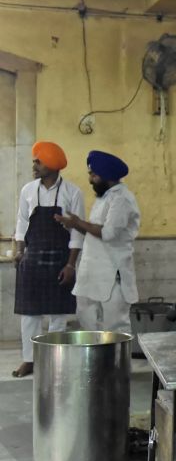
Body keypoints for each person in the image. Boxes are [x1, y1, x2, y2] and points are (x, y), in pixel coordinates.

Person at [11, 142, 85, 377]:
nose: (34, 165)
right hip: (31, 259)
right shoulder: (28, 191)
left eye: (38, 161)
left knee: (57, 315)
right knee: (29, 314)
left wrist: (71, 264)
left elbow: (76, 233)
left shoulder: (72, 192)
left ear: (52, 166)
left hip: (60, 259)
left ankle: (55, 360)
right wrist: (20, 251)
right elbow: (22, 223)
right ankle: (29, 360)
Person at [55, 151, 140, 335]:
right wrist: (72, 224)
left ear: (107, 176)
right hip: (92, 272)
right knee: (87, 321)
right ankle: (95, 363)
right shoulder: (104, 198)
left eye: (94, 175)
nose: (91, 180)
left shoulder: (121, 199)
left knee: (115, 327)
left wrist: (77, 222)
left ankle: (116, 364)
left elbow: (108, 233)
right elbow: (92, 231)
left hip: (112, 275)